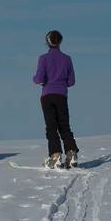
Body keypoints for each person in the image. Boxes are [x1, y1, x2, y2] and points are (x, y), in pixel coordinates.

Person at [33, 29, 79, 168]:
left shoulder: (43, 58)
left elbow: (38, 79)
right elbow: (71, 81)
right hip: (61, 96)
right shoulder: (67, 59)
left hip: (47, 96)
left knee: (51, 127)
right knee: (64, 125)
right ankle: (71, 153)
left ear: (47, 42)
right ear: (60, 41)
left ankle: (55, 155)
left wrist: (36, 79)